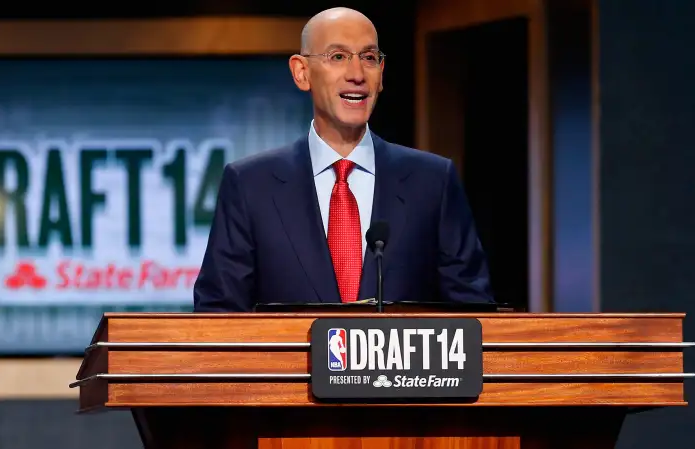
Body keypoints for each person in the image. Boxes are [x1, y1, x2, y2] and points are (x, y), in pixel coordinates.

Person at [193, 7, 493, 312]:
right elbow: (218, 316)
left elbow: (474, 316)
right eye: (338, 57)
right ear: (302, 72)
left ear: (381, 74)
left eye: (369, 58)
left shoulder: (433, 181)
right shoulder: (250, 185)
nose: (357, 75)